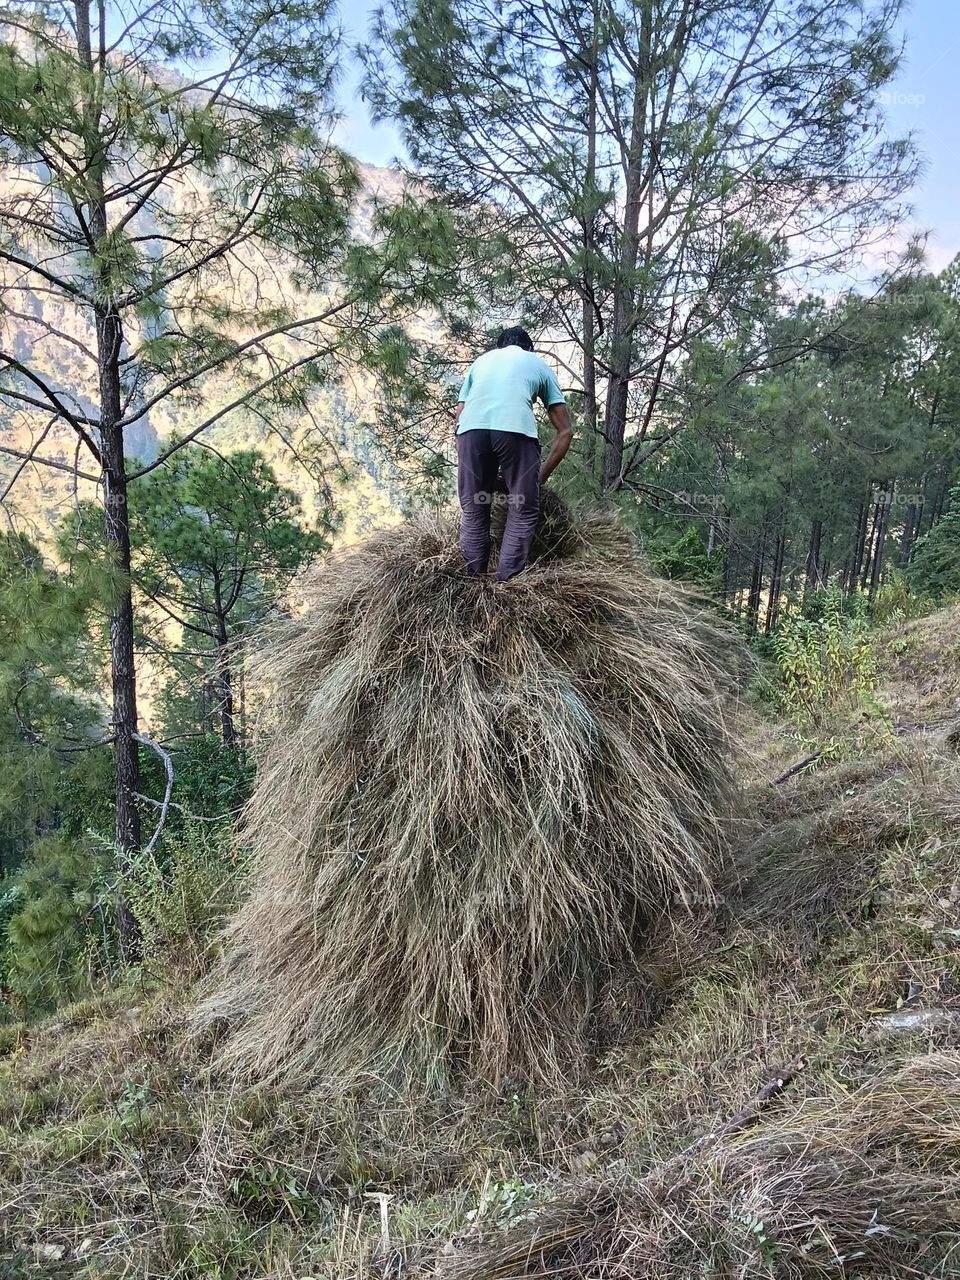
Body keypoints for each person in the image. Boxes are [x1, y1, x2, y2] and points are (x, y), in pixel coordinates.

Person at [454, 326, 573, 580]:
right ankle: (505, 586)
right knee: (522, 510)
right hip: (516, 431)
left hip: (470, 433)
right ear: (528, 348)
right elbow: (565, 431)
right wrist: (537, 479)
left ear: (499, 348)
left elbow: (460, 416)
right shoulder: (536, 362)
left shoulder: (481, 362)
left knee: (474, 508)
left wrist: (468, 461)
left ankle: (471, 583)